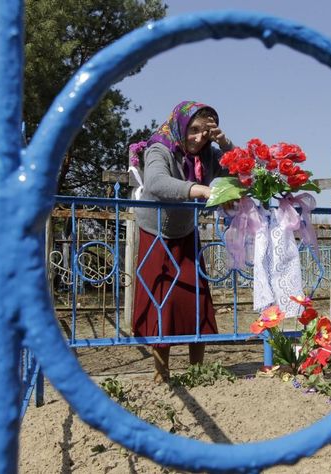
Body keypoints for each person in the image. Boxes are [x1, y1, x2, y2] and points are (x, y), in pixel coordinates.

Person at [132, 100, 233, 383]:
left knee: (195, 298)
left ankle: (197, 370)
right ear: (181, 125)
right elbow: (155, 182)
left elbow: (239, 171)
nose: (199, 138)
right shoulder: (159, 149)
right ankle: (161, 373)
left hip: (186, 232)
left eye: (206, 132)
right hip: (156, 234)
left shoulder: (209, 155)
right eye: (194, 130)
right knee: (161, 300)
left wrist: (225, 144)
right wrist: (197, 188)